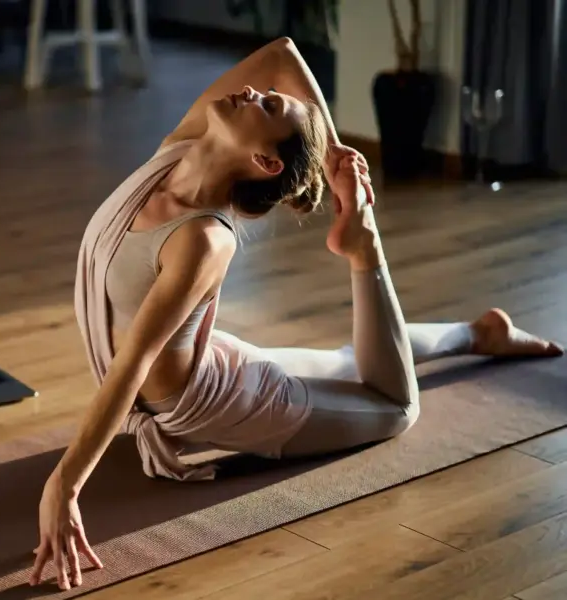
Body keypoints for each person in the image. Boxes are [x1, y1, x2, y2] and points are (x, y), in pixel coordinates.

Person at [29, 37, 563, 591]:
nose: (256, 91)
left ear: (264, 161)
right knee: (342, 362)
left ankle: (365, 247)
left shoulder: (202, 240)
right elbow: (282, 53)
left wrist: (66, 483)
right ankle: (481, 332)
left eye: (269, 105)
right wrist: (331, 153)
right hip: (217, 360)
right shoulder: (178, 148)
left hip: (222, 402)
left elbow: (134, 361)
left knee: (394, 407)